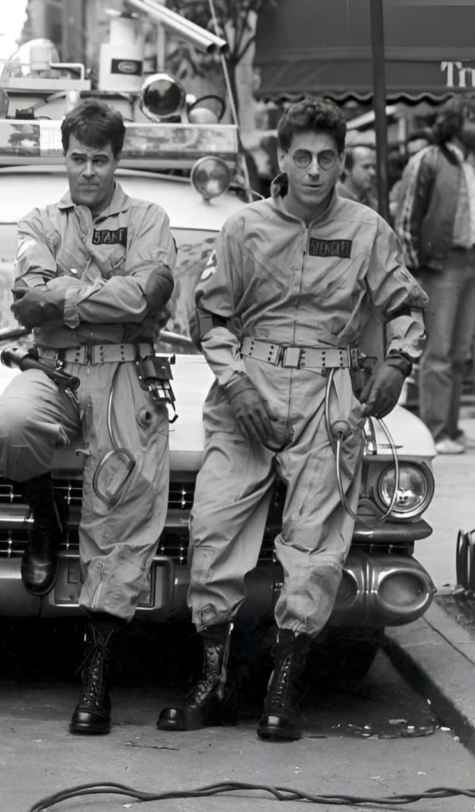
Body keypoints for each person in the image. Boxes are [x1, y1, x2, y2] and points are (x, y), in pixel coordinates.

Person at [156, 97, 427, 742]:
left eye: (325, 159)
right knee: (214, 528)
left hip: (328, 397)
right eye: (300, 157)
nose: (312, 170)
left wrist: (397, 363)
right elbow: (211, 315)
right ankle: (213, 686)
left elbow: (406, 304)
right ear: (281, 158)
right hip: (248, 387)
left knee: (315, 546)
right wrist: (235, 382)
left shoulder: (368, 230)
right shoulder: (244, 228)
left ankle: (283, 693)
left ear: (340, 165)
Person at [0, 99, 177, 736]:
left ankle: (96, 679)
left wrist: (65, 295)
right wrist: (101, 298)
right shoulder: (39, 219)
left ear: (117, 159)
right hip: (56, 371)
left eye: (100, 159)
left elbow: (150, 293)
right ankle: (45, 516)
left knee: (120, 511)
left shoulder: (150, 217)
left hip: (127, 372)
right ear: (63, 156)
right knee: (12, 426)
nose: (88, 170)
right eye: (77, 158)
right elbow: (27, 304)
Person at [394, 95, 475, 454]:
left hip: (468, 260)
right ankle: (435, 430)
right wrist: (412, 272)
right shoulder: (427, 160)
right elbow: (408, 217)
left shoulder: (470, 163)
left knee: (458, 352)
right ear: (456, 123)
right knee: (439, 352)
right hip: (439, 265)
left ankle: (451, 428)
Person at [337, 145, 378, 210]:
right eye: (366, 167)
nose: (372, 172)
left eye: (374, 167)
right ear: (346, 169)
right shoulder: (331, 201)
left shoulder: (375, 207)